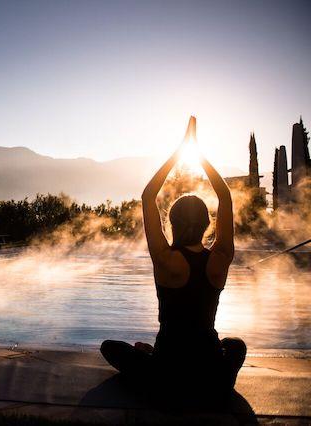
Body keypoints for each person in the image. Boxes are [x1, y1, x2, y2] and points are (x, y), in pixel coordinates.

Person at [100, 117, 246, 403]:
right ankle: (198, 373)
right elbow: (225, 198)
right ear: (207, 223)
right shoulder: (220, 258)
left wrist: (180, 151)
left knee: (111, 347)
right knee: (236, 346)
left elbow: (148, 196)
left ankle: (153, 358)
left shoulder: (165, 259)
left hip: (167, 376)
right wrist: (199, 155)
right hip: (213, 377)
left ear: (172, 224)